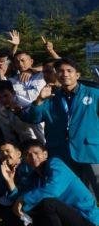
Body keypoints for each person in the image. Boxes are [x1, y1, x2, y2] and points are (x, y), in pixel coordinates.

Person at [18, 58, 99, 196]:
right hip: (60, 152)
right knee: (70, 193)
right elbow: (33, 118)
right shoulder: (50, 97)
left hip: (89, 150)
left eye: (69, 71)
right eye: (61, 71)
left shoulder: (93, 94)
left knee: (95, 189)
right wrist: (39, 100)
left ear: (77, 75)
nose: (65, 74)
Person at [15, 143, 99, 226]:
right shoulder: (36, 176)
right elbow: (25, 198)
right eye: (28, 155)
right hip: (71, 222)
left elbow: (53, 190)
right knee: (35, 204)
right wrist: (10, 181)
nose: (33, 157)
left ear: (45, 154)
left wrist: (23, 200)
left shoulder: (56, 164)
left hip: (89, 223)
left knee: (48, 203)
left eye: (36, 153)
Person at [0, 80, 45, 145]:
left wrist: (43, 146)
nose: (3, 100)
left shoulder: (26, 105)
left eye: (6, 96)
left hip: (34, 139)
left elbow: (38, 130)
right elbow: (5, 128)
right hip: (19, 139)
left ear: (13, 93)